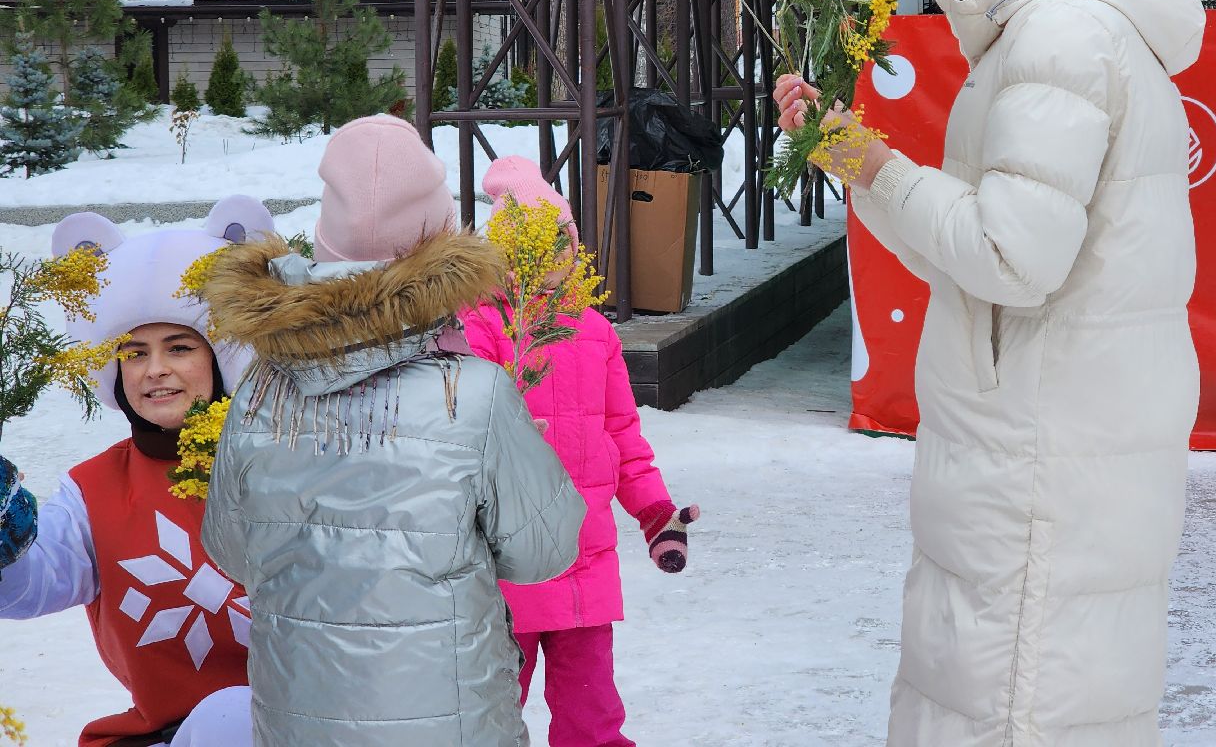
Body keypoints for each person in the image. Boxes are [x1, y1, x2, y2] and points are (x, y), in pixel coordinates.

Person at [777, 0, 1204, 745]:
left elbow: (1010, 255)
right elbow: (988, 242)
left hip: (1032, 484)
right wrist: (856, 157)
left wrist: (874, 163)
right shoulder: (1071, 26)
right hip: (1048, 466)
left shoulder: (1060, 31)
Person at [200, 114, 585, 746]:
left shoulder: (259, 392)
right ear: (441, 246)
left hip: (301, 722)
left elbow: (233, 551)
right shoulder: (476, 393)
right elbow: (546, 550)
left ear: (323, 241)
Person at [0, 196, 273, 747]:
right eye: (133, 352)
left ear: (221, 359)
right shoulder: (95, 488)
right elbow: (31, 587)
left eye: (179, 347)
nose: (156, 371)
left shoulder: (283, 462)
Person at [459, 156, 699, 747]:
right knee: (487, 711)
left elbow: (623, 436)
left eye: (562, 242)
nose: (553, 257)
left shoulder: (596, 332)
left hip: (585, 560)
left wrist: (655, 514)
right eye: (533, 246)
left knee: (592, 714)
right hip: (505, 564)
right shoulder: (481, 327)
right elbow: (464, 429)